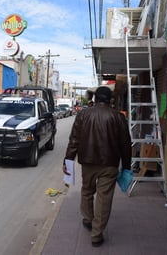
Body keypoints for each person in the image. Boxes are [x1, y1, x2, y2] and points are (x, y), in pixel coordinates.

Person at [63, 86, 131, 247]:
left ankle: (88, 219)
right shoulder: (118, 117)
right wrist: (126, 166)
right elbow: (126, 144)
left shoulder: (83, 114)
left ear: (95, 98)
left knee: (86, 191)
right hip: (110, 164)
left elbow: (74, 140)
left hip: (87, 162)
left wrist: (68, 160)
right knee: (104, 198)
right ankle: (96, 234)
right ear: (110, 99)